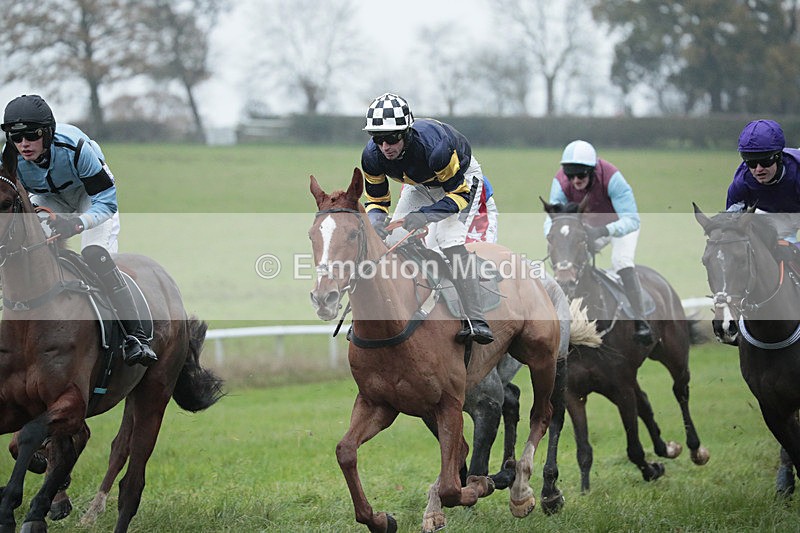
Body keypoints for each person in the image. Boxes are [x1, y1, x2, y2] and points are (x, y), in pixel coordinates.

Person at [0, 94, 156, 367]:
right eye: (16, 137)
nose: (23, 144)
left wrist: (76, 224)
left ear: (47, 133)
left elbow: (106, 203)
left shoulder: (76, 148)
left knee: (94, 253)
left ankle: (135, 336)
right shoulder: (9, 157)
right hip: (48, 199)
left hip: (91, 198)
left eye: (31, 135)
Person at [361, 92, 494, 344]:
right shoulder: (371, 157)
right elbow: (377, 201)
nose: (385, 147)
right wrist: (376, 224)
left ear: (407, 133)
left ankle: (476, 319)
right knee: (392, 239)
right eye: (378, 139)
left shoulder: (435, 149)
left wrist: (425, 216)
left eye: (391, 138)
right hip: (419, 183)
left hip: (461, 181)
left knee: (447, 239)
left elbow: (459, 196)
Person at [544, 139, 653, 345]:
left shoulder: (612, 178)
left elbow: (632, 220)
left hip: (619, 227)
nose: (575, 180)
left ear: (592, 171)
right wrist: (555, 237)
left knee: (621, 261)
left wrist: (603, 230)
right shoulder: (560, 182)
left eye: (581, 175)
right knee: (568, 261)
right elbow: (553, 219)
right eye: (570, 175)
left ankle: (641, 322)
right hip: (586, 230)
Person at [726, 119, 800, 244]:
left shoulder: (797, 175)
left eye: (765, 161)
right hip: (771, 214)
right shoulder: (741, 183)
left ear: (779, 157)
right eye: (751, 162)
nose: (758, 169)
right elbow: (730, 228)